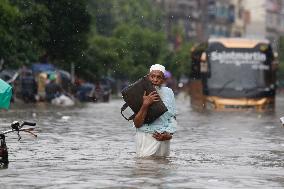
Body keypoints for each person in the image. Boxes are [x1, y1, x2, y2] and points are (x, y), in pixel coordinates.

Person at [133, 64, 177, 157]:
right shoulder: (141, 93)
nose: (155, 80)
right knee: (145, 167)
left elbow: (172, 117)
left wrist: (168, 135)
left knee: (163, 167)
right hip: (146, 138)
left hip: (163, 138)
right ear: (148, 77)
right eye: (152, 76)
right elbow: (137, 123)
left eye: (159, 77)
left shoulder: (168, 92)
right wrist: (145, 104)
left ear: (163, 79)